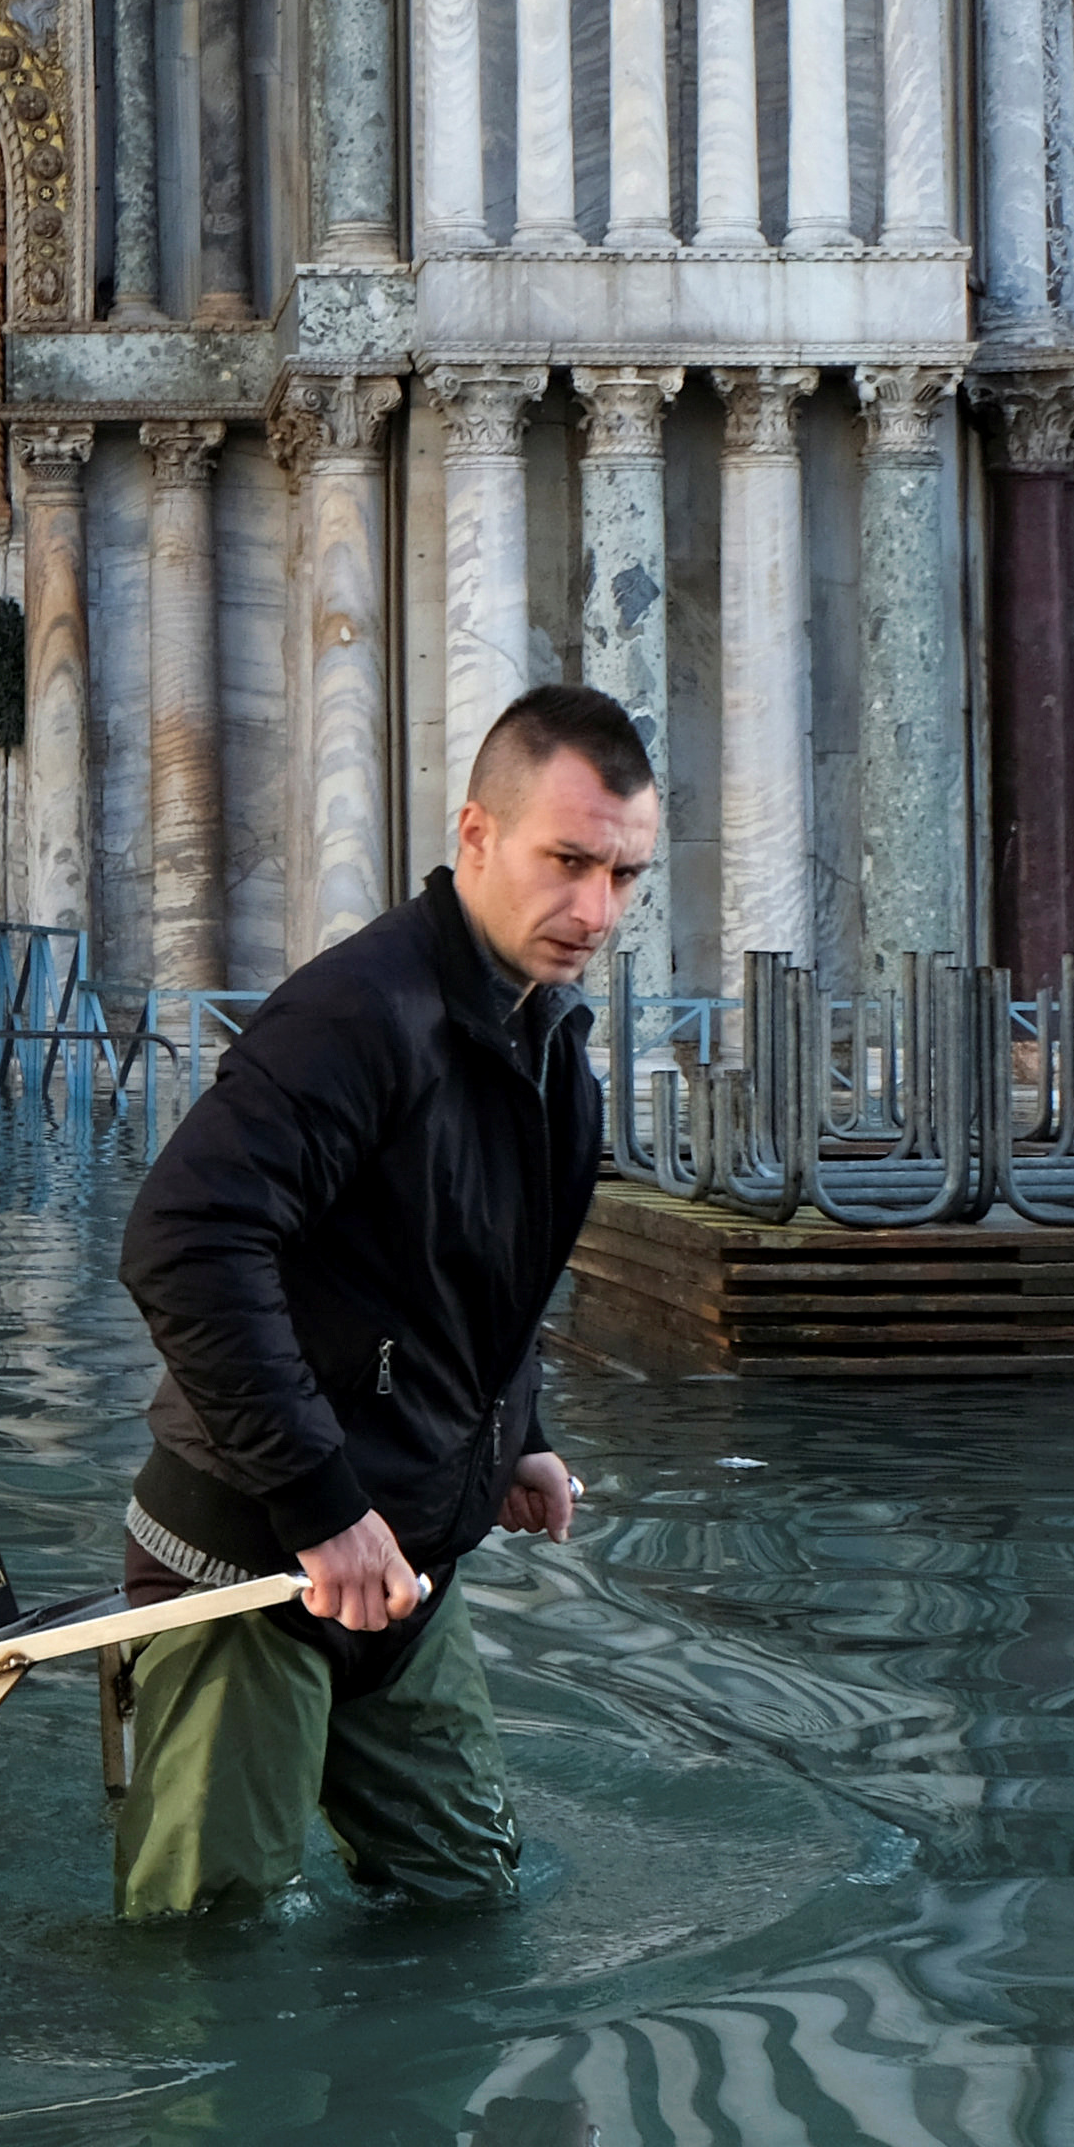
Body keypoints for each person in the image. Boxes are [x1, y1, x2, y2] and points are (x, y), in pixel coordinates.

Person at [108, 682, 656, 1918]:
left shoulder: (549, 1042)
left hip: (408, 1570)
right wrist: (321, 1506)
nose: (595, 911)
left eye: (625, 878)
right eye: (567, 862)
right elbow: (183, 1240)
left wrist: (523, 1436)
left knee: (471, 1905)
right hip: (248, 1568)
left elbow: (480, 1277)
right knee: (212, 1964)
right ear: (475, 834)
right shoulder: (356, 1014)